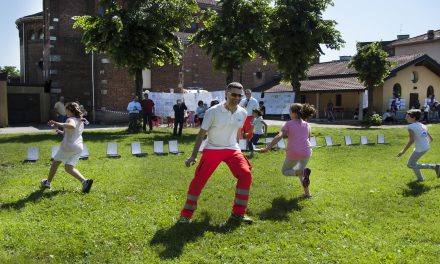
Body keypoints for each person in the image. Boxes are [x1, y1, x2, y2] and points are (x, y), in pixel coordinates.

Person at [178, 82, 253, 224]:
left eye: (239, 95)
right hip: (213, 149)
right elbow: (201, 134)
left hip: (232, 149)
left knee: (246, 174)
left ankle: (238, 213)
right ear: (226, 93)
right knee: (199, 180)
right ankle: (186, 214)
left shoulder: (242, 113)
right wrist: (194, 155)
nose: (237, 97)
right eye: (234, 94)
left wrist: (238, 149)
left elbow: (237, 132)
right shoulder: (212, 111)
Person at [260, 103, 316, 198]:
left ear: (294, 113)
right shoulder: (307, 124)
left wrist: (267, 148)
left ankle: (303, 173)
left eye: (289, 111)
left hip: (294, 152)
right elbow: (308, 139)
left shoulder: (288, 124)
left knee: (285, 171)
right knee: (300, 172)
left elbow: (279, 136)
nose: (289, 113)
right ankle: (307, 194)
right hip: (307, 152)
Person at [40, 102, 94, 193]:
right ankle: (85, 182)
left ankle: (47, 183)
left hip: (68, 146)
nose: (65, 111)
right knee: (69, 167)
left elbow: (72, 126)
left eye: (66, 110)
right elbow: (73, 132)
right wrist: (61, 132)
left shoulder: (71, 119)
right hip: (79, 147)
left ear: (69, 110)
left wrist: (56, 122)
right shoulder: (81, 120)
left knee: (55, 164)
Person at [397, 109, 440, 181]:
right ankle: (420, 179)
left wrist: (403, 151)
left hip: (420, 149)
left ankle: (435, 167)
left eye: (407, 116)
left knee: (410, 165)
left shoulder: (410, 127)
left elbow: (411, 140)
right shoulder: (423, 125)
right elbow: (431, 139)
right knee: (414, 163)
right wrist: (424, 144)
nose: (405, 118)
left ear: (413, 118)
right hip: (425, 147)